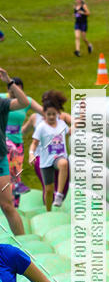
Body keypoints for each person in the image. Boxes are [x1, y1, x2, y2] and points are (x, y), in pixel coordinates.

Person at [25, 90, 71, 204]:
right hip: (41, 158)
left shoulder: (61, 117)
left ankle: (58, 198)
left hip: (58, 156)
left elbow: (74, 124)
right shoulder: (35, 117)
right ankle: (48, 210)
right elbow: (24, 131)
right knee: (49, 188)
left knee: (63, 189)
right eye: (44, 102)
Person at [4, 77, 42, 207]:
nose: (15, 94)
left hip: (18, 142)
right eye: (13, 91)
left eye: (18, 91)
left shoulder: (26, 101)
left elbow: (44, 112)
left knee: (16, 172)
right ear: (8, 89)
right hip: (3, 141)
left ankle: (15, 205)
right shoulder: (2, 99)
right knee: (10, 151)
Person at [0, 69, 29, 236]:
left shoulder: (2, 103)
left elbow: (24, 102)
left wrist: (9, 81)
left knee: (7, 205)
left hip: (0, 159)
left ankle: (24, 244)